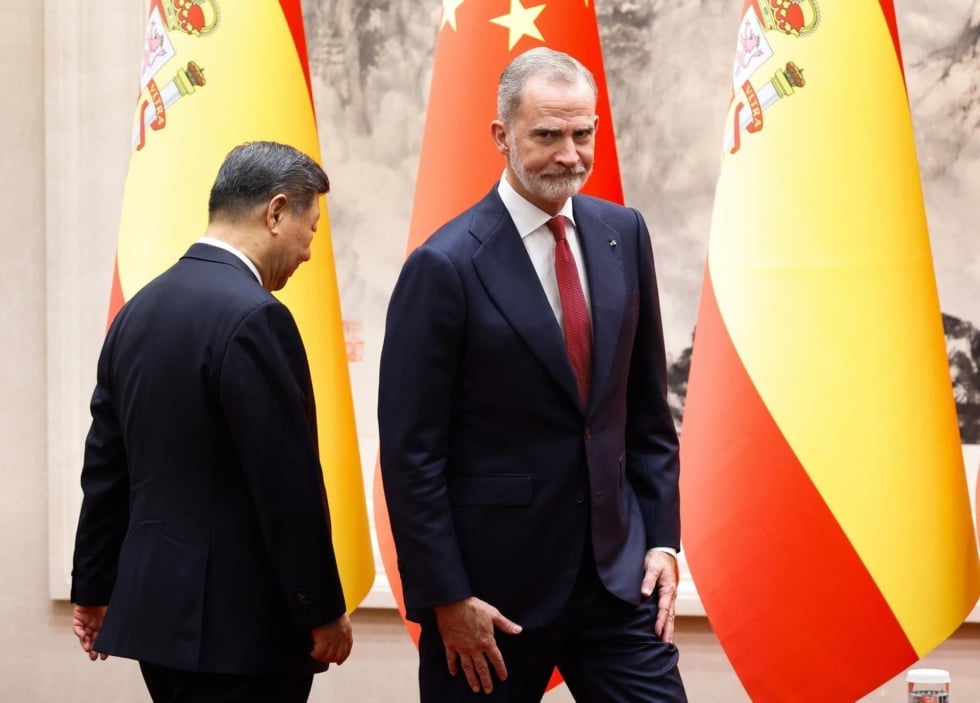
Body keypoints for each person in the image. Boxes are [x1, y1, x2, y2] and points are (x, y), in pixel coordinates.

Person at [378, 47, 688, 702]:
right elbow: (411, 456)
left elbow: (645, 413)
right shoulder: (445, 265)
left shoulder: (623, 233)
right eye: (547, 135)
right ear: (502, 136)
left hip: (617, 580)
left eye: (583, 134)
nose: (570, 154)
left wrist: (661, 540)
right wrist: (448, 595)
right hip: (490, 600)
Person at [70, 141, 352, 703]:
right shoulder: (257, 318)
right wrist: (320, 609)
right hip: (242, 633)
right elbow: (286, 486)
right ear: (275, 213)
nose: (307, 252)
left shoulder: (137, 312)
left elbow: (106, 469)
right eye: (311, 230)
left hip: (158, 628)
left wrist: (93, 588)